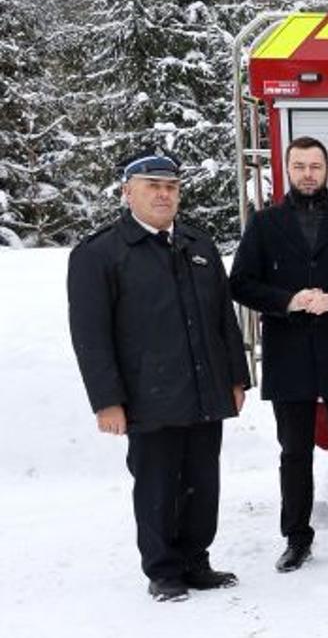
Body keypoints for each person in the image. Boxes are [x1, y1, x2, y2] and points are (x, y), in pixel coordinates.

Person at [68, 152, 250, 601]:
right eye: (152, 185)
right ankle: (163, 569)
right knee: (157, 483)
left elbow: (224, 319)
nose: (163, 194)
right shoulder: (100, 254)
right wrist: (107, 400)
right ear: (128, 192)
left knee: (203, 482)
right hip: (149, 396)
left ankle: (195, 559)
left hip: (206, 389)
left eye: (170, 186)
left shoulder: (198, 244)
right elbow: (90, 335)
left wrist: (235, 379)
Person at [229, 137, 328, 571]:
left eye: (315, 166)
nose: (307, 173)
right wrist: (288, 300)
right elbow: (240, 282)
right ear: (287, 170)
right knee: (295, 454)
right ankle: (296, 538)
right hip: (289, 354)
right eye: (299, 166)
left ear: (327, 170)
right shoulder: (264, 224)